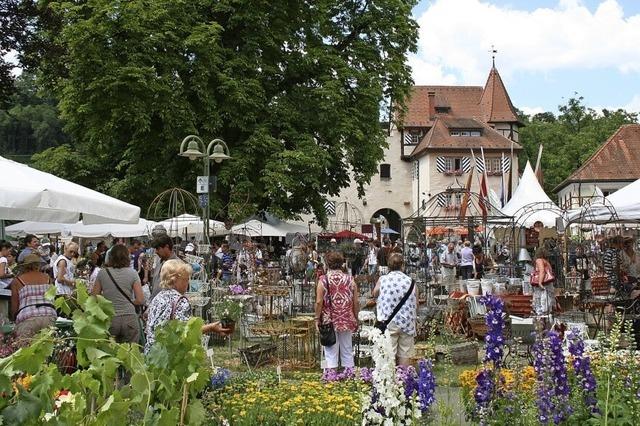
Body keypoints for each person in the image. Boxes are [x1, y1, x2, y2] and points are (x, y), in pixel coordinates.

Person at [145, 259, 230, 354]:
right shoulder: (180, 301)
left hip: (152, 354)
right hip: (170, 357)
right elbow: (186, 331)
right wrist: (210, 327)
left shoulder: (158, 297)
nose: (187, 283)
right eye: (185, 279)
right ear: (175, 280)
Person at [315, 251, 359, 377]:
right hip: (346, 317)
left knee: (330, 350)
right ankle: (349, 375)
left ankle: (331, 376)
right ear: (341, 264)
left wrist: (316, 318)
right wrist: (356, 318)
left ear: (327, 264)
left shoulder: (323, 280)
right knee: (347, 349)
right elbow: (355, 301)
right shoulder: (350, 279)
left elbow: (319, 302)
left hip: (329, 319)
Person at [92, 245, 144, 343]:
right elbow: (140, 299)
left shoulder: (102, 273)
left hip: (109, 318)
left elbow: (94, 297)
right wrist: (129, 302)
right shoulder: (133, 273)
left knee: (110, 353)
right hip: (130, 318)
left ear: (110, 257)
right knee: (130, 354)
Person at [372, 253, 417, 365]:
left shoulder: (383, 279)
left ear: (389, 266)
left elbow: (374, 293)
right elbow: (416, 303)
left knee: (389, 351)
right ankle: (403, 378)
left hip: (388, 321)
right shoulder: (411, 282)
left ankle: (389, 379)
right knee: (405, 352)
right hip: (406, 321)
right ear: (402, 266)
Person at [10, 254, 57, 343]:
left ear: (23, 267)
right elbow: (52, 298)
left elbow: (14, 306)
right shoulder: (48, 278)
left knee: (25, 351)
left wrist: (14, 319)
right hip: (49, 315)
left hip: (28, 317)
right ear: (38, 265)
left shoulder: (17, 281)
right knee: (47, 350)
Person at [150, 235, 179, 300]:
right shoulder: (159, 261)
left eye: (158, 248)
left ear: (166, 247)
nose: (156, 251)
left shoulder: (178, 265)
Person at [533, 247, 555, 316]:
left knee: (541, 302)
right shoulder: (546, 262)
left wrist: (540, 282)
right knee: (547, 303)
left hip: (543, 285)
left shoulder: (539, 260)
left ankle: (541, 321)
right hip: (549, 285)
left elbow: (542, 271)